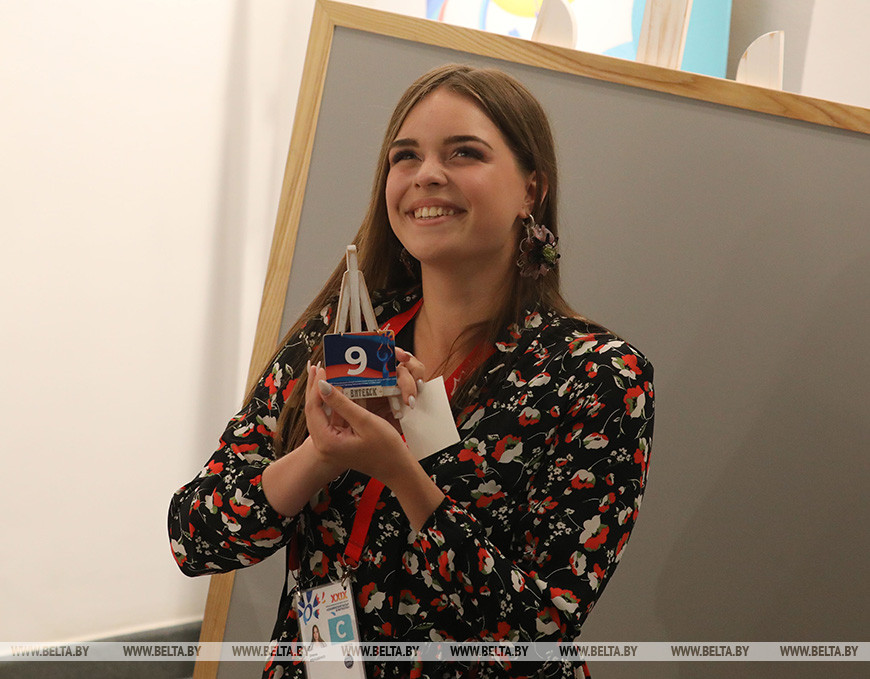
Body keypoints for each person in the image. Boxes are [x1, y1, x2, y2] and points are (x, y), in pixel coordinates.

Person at [168, 64, 654, 679]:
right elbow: (194, 538)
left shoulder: (598, 374)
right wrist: (321, 454)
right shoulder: (340, 341)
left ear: (531, 190)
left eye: (464, 152)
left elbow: (538, 633)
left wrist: (401, 469)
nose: (426, 174)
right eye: (406, 156)